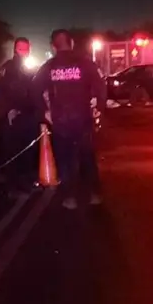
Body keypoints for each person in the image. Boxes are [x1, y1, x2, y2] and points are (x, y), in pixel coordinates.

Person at [34, 29, 106, 210]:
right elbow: (100, 86)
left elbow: (34, 89)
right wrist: (99, 108)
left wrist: (44, 112)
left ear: (53, 46)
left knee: (65, 160)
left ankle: (70, 197)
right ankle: (94, 194)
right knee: (87, 157)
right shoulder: (85, 63)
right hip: (83, 118)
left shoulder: (49, 66)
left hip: (60, 121)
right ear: (71, 42)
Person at [0, 37, 40, 197]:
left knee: (29, 151)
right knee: (12, 152)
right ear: (15, 49)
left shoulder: (32, 68)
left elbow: (36, 90)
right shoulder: (7, 68)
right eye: (21, 49)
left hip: (29, 115)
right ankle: (12, 186)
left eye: (26, 49)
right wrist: (8, 110)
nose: (24, 52)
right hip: (12, 117)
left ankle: (26, 183)